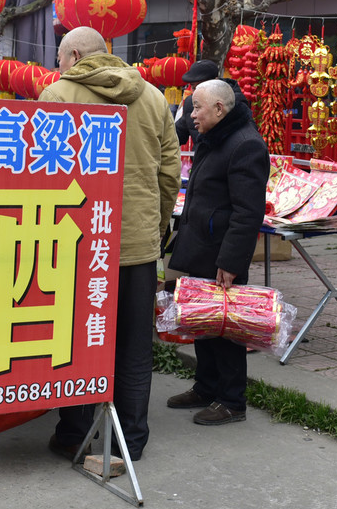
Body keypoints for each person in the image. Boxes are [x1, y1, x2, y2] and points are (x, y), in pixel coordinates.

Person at [38, 27, 180, 462]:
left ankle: (74, 434)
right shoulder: (153, 97)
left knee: (77, 342)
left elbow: (40, 175)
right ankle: (130, 439)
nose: (58, 66)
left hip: (77, 245)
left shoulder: (57, 96)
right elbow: (169, 174)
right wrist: (154, 228)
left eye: (60, 58)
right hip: (137, 244)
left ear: (74, 55)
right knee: (134, 347)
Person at [166, 79, 269, 425]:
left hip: (222, 253)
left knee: (226, 328)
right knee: (204, 321)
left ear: (220, 109)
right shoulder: (212, 136)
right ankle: (206, 387)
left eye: (197, 107)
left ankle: (232, 401)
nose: (191, 115)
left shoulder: (246, 145)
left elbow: (248, 212)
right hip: (202, 245)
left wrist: (231, 261)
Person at [175, 59, 219, 147]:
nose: (196, 92)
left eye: (200, 87)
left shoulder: (231, 103)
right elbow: (176, 135)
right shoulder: (190, 104)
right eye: (193, 87)